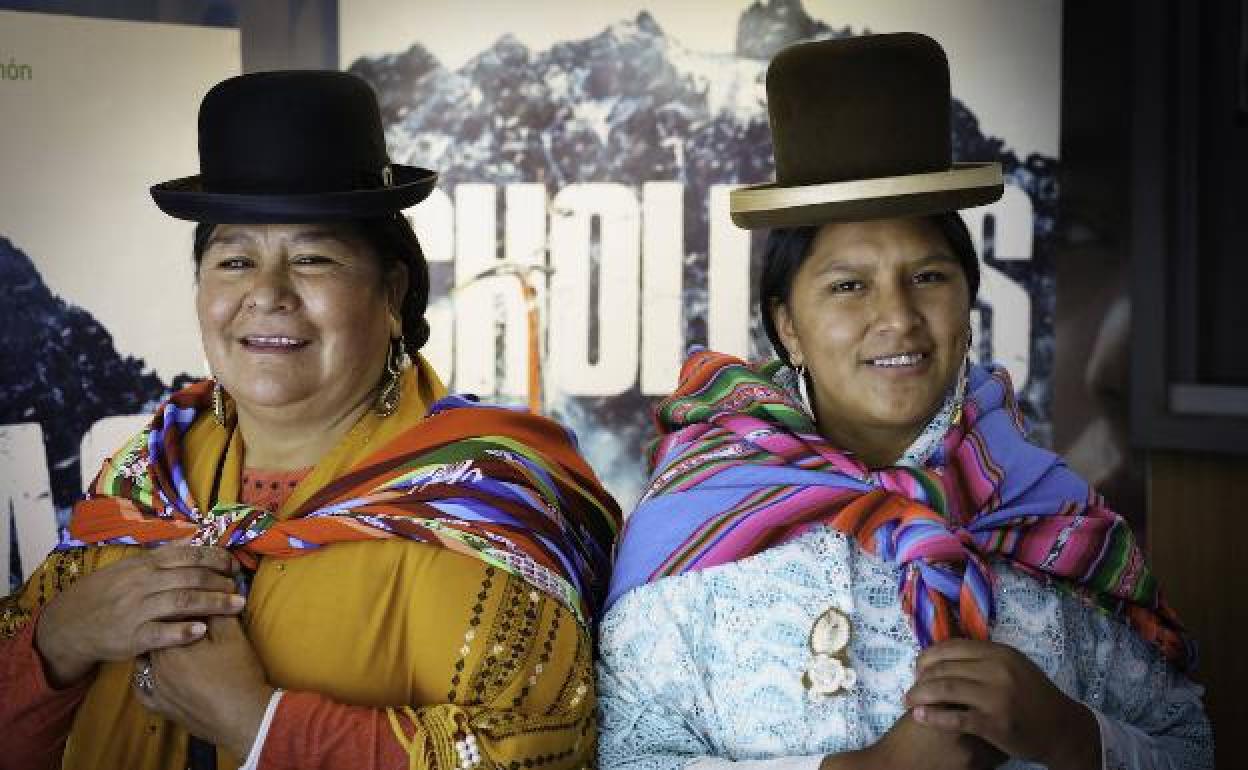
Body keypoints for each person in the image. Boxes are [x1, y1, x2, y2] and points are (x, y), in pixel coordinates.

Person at [596, 33, 1212, 770]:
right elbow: (629, 755)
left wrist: (1071, 736)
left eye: (928, 277)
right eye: (848, 285)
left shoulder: (1054, 517)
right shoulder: (697, 520)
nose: (898, 318)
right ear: (787, 324)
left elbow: (1188, 747)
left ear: (968, 304)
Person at [0, 70, 620, 770]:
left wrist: (260, 725)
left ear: (392, 293)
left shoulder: (487, 499)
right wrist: (57, 642)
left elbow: (542, 750)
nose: (266, 294)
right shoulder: (148, 475)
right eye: (233, 259)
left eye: (313, 258)